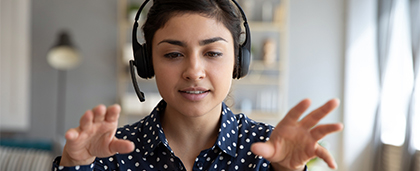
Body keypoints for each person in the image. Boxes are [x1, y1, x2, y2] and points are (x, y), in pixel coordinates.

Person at [52, 0, 343, 170]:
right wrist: (72, 164)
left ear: (238, 62)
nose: (193, 71)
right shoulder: (111, 152)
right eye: (173, 54)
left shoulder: (267, 151)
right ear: (147, 62)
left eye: (213, 53)